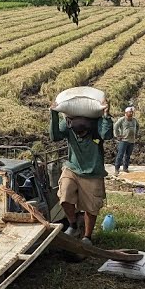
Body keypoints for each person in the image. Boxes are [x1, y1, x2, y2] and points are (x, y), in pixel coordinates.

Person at [49, 100, 113, 245]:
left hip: (93, 172)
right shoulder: (68, 124)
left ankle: (87, 237)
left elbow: (107, 135)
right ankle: (72, 224)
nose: (80, 135)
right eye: (77, 133)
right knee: (64, 194)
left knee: (92, 207)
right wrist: (53, 113)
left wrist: (106, 115)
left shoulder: (97, 125)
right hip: (72, 168)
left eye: (83, 132)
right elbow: (55, 137)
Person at [112, 106, 138, 174]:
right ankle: (117, 168)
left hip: (132, 140)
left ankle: (125, 168)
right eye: (130, 112)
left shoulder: (134, 120)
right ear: (126, 113)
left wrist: (136, 133)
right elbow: (115, 126)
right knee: (120, 155)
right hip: (124, 140)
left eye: (132, 112)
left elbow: (137, 126)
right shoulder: (122, 119)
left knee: (128, 156)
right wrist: (117, 135)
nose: (131, 113)